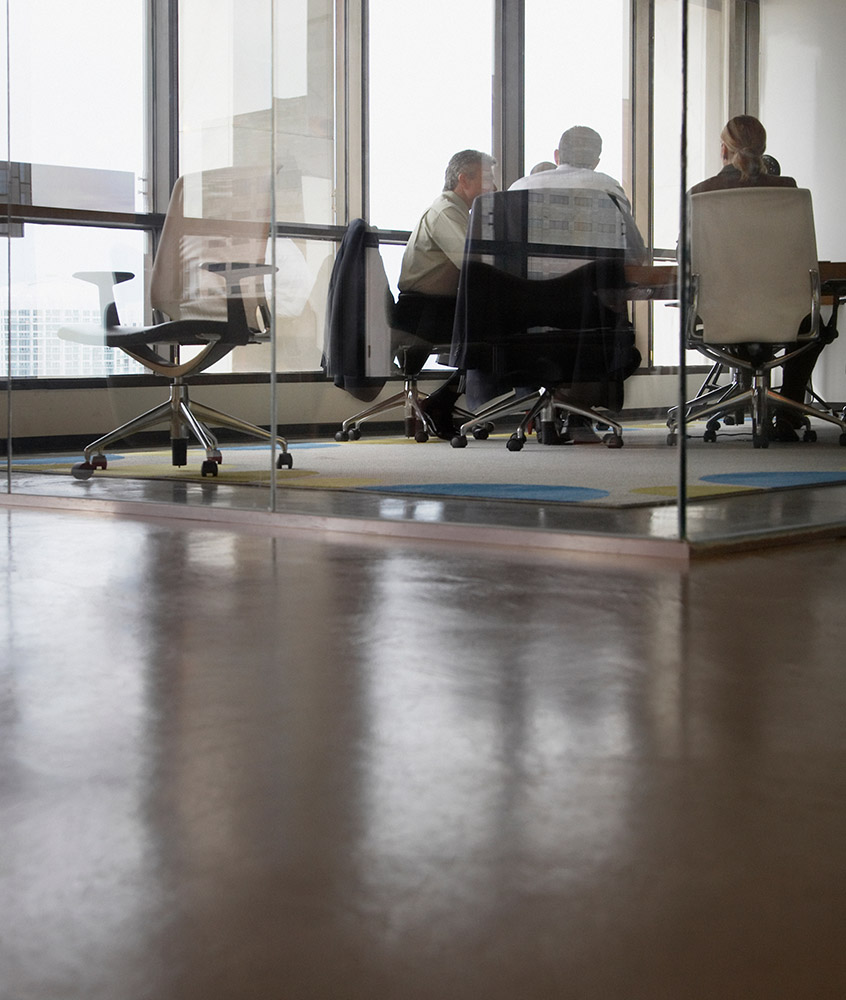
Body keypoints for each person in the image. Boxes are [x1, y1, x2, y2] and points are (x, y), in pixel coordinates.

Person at [689, 116, 830, 440]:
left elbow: (688, 262)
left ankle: (757, 398)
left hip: (719, 314)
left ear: (723, 148)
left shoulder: (701, 193)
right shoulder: (786, 190)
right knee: (815, 324)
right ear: (764, 149)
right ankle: (789, 413)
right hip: (784, 314)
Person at [396, 150, 496, 437]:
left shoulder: (455, 211)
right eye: (488, 179)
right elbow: (473, 264)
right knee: (501, 333)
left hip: (434, 308)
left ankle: (444, 401)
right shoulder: (446, 211)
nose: (495, 187)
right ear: (464, 179)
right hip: (424, 313)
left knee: (497, 331)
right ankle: (442, 403)